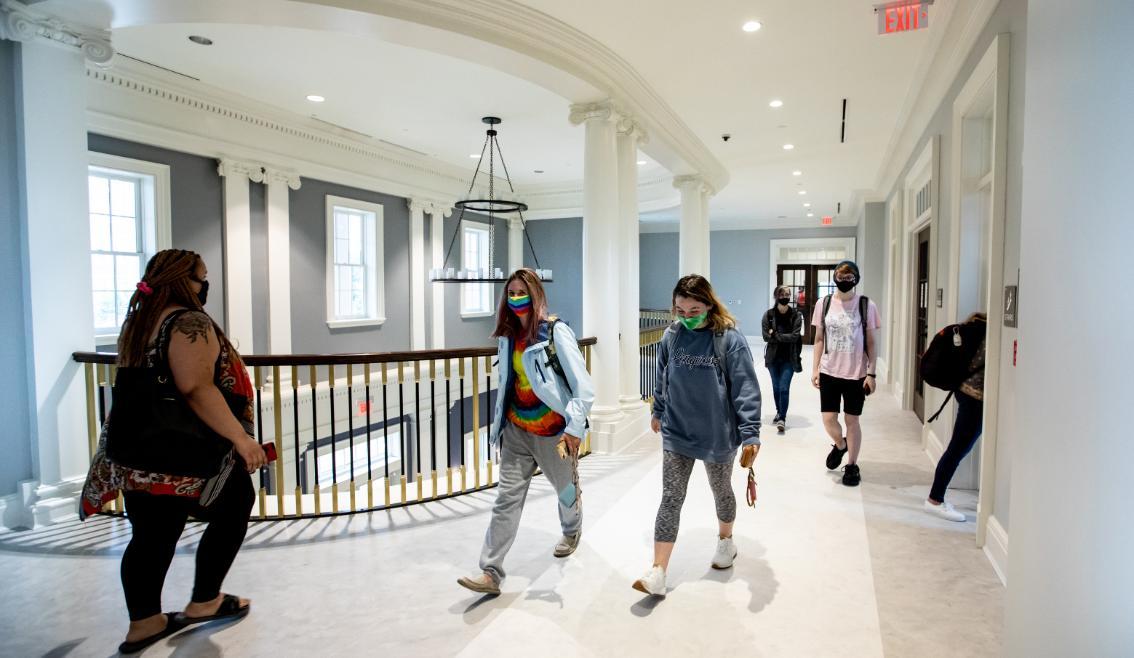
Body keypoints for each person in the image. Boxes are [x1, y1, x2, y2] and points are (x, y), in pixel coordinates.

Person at [79, 249, 266, 654]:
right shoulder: (188, 321)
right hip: (183, 452)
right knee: (236, 503)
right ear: (186, 280)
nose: (205, 285)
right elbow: (196, 387)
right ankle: (205, 601)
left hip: (137, 453)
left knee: (151, 534)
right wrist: (242, 438)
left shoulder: (139, 320)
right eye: (202, 277)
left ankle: (144, 624)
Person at [458, 268, 595, 596]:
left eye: (523, 293)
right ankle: (491, 571)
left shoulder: (554, 333)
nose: (516, 298)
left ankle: (571, 529)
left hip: (553, 434)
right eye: (511, 293)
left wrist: (574, 430)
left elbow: (584, 388)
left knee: (565, 492)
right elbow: (509, 382)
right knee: (506, 499)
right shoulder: (507, 336)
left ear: (536, 296)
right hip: (517, 431)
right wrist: (499, 426)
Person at [633, 274, 762, 597]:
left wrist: (750, 433)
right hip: (678, 430)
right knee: (671, 497)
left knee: (721, 490)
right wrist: (658, 410)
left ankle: (725, 541)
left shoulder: (728, 339)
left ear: (708, 305)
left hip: (718, 433)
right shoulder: (671, 336)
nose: (687, 318)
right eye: (680, 311)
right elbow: (663, 375)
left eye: (694, 311)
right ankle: (658, 571)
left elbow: (746, 387)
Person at [811, 260, 881, 487]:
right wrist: (815, 368)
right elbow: (819, 338)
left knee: (852, 420)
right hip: (830, 371)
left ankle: (851, 465)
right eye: (840, 278)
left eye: (849, 278)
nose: (844, 281)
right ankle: (841, 445)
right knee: (828, 419)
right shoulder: (824, 304)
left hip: (856, 373)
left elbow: (871, 342)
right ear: (835, 279)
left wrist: (872, 373)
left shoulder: (866, 305)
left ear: (856, 279)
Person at [925, 313, 987, 521]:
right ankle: (935, 499)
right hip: (975, 398)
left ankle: (937, 497)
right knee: (957, 448)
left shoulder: (974, 327)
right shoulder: (991, 333)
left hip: (965, 393)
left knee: (959, 447)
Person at [762, 285, 804, 432]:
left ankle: (782, 418)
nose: (785, 296)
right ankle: (779, 411)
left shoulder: (796, 315)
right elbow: (765, 336)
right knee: (776, 387)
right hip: (773, 358)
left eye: (787, 294)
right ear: (776, 296)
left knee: (784, 388)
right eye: (782, 294)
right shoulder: (768, 315)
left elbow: (795, 336)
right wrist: (773, 335)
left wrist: (775, 335)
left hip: (789, 358)